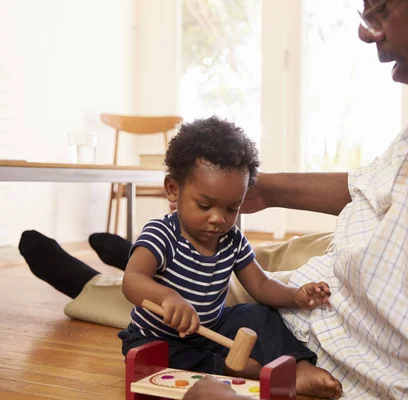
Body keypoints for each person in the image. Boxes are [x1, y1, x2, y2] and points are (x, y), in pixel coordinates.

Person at [19, 0, 408, 398]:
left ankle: (102, 276)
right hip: (309, 288)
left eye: (382, 10)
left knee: (234, 269)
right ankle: (101, 272)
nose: (367, 32)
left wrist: (278, 284)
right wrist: (263, 191)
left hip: (309, 320)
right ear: (175, 191)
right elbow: (371, 184)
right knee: (178, 275)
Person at [115, 116, 341, 398]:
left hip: (212, 328)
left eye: (232, 208)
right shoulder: (162, 233)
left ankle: (298, 368)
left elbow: (261, 286)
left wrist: (295, 296)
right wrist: (167, 298)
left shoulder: (232, 240)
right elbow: (132, 280)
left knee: (258, 313)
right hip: (159, 338)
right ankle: (240, 370)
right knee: (167, 359)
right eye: (204, 205)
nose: (218, 219)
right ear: (173, 189)